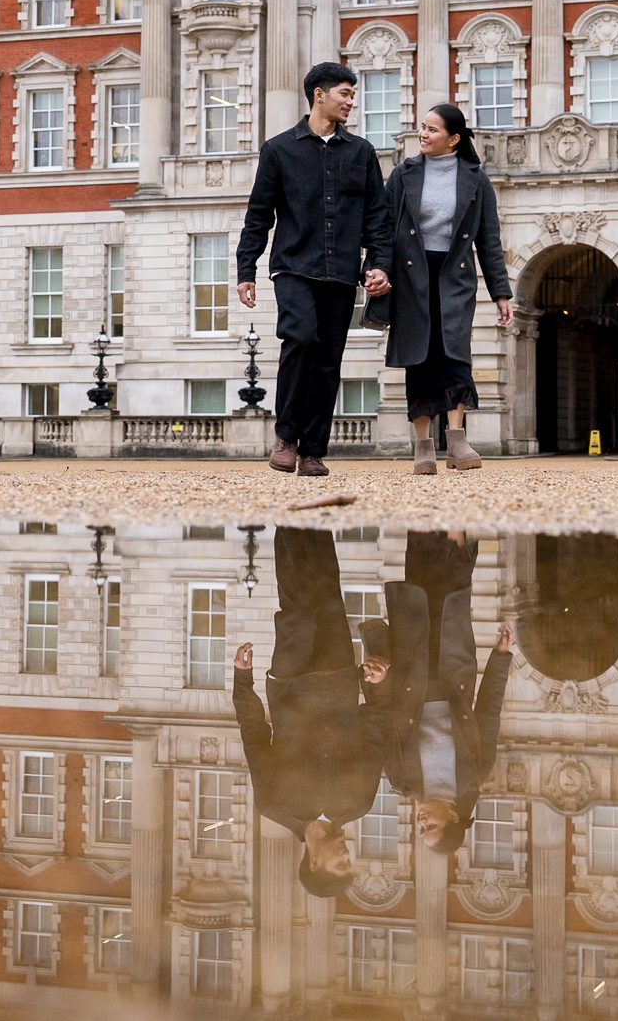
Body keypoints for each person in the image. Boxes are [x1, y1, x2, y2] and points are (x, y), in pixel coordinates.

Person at [237, 62, 394, 478]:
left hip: (342, 272)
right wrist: (246, 269)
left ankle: (312, 451)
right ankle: (286, 437)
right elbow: (259, 214)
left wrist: (377, 265)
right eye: (344, 93)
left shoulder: (361, 153)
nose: (350, 101)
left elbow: (377, 218)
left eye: (352, 95)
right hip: (293, 266)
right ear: (319, 94)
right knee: (301, 338)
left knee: (328, 360)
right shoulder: (279, 149)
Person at [232, 528, 386, 897]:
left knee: (298, 604)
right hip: (337, 675)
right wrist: (376, 687)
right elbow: (376, 734)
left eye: (342, 863)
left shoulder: (273, 805)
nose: (348, 855)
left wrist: (242, 680)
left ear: (314, 863)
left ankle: (289, 516)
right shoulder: (359, 803)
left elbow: (254, 736)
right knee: (328, 589)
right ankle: (316, 516)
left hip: (291, 680)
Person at [366, 104, 513, 473]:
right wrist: (376, 268)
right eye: (422, 127)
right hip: (411, 276)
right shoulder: (404, 174)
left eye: (432, 130)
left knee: (454, 355)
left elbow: (489, 239)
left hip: (455, 277)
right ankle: (423, 445)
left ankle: (457, 440)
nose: (423, 134)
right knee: (419, 358)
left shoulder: (476, 179)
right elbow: (382, 228)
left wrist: (501, 293)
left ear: (454, 139)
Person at [360, 531, 513, 854]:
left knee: (417, 588)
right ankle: (459, 531)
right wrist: (500, 656)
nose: (421, 821)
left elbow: (386, 721)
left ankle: (424, 516)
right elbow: (488, 713)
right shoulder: (476, 772)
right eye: (431, 826)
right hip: (453, 670)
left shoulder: (401, 779)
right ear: (454, 816)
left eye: (421, 829)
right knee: (452, 597)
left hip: (407, 670)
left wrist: (380, 681)